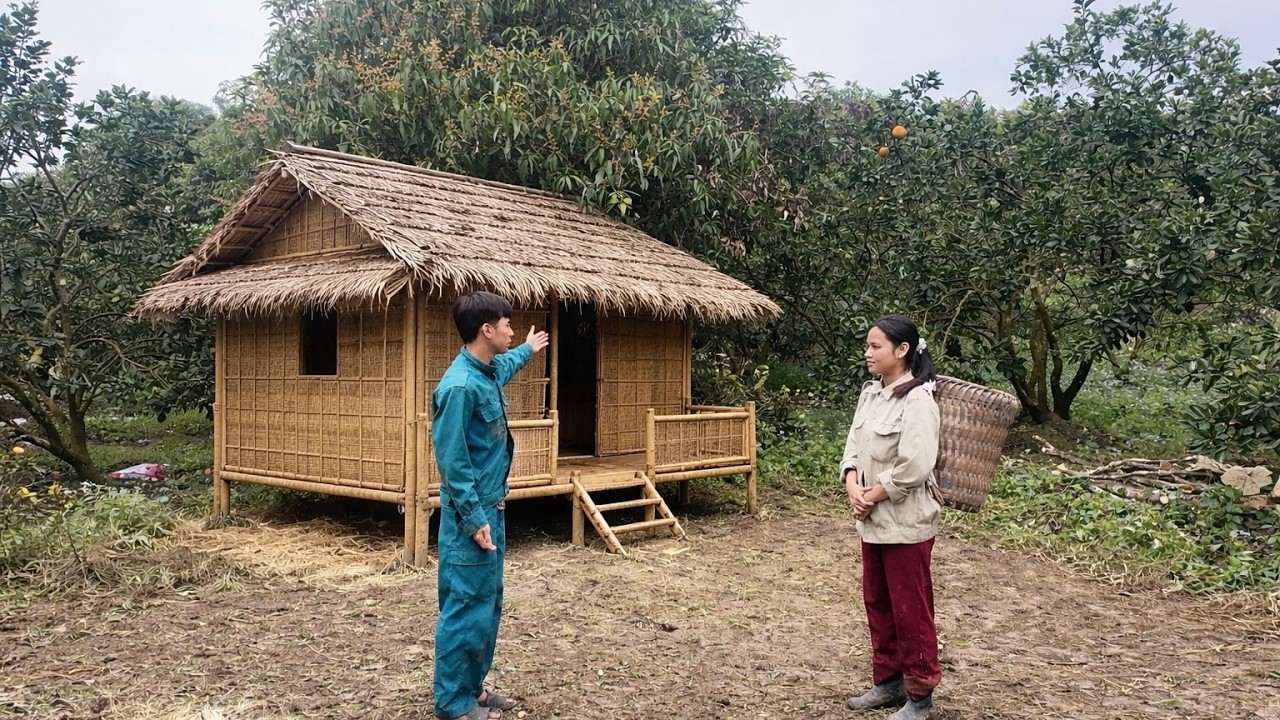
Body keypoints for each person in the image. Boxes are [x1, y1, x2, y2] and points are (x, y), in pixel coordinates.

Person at [431, 291, 549, 720]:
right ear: (487, 329)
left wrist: (528, 350)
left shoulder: (486, 370)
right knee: (464, 607)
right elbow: (452, 461)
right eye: (507, 324)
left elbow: (507, 363)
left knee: (486, 604)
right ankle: (452, 704)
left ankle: (472, 688)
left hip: (492, 511)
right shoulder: (459, 387)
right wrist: (473, 518)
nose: (511, 330)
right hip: (471, 518)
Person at [839, 314, 942, 720]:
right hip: (873, 520)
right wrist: (852, 485)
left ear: (902, 351)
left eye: (875, 346)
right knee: (878, 602)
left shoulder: (918, 401)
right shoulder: (871, 394)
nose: (868, 353)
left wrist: (871, 495)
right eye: (867, 345)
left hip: (906, 523)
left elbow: (915, 466)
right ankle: (889, 682)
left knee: (910, 609)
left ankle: (920, 694)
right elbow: (852, 446)